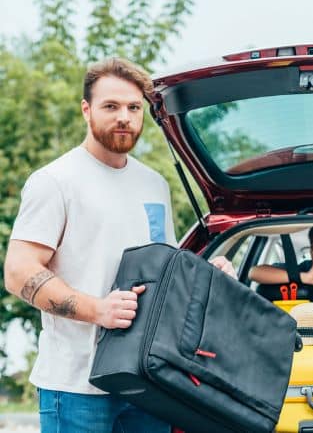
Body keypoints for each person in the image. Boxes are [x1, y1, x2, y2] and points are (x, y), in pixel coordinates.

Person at [3, 58, 235, 433]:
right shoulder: (55, 182)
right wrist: (97, 310)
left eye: (133, 107)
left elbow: (164, 269)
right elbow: (19, 272)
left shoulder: (154, 184)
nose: (124, 117)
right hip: (77, 386)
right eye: (110, 106)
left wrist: (208, 274)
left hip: (147, 380)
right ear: (86, 110)